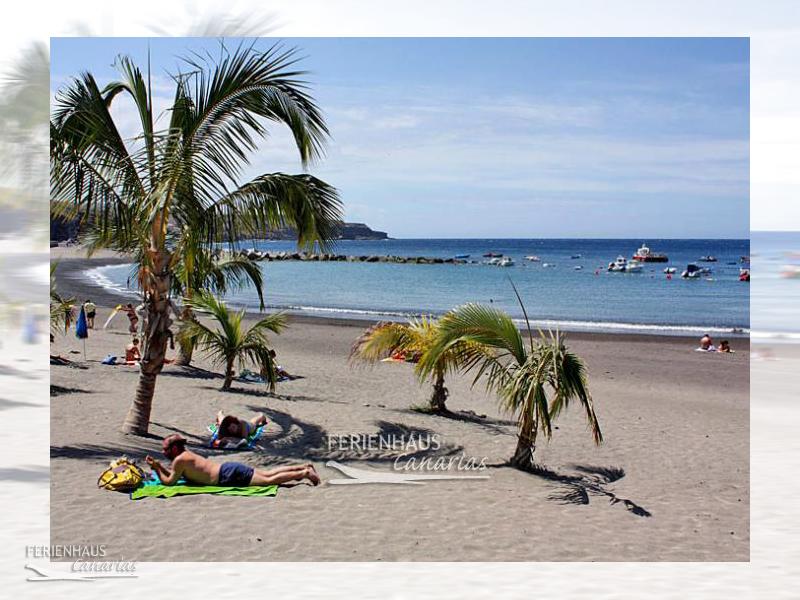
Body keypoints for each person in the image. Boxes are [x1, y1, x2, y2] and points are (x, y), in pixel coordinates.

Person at [146, 434, 320, 487]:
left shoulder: (180, 460)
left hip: (226, 476)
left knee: (268, 480)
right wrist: (159, 465)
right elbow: (176, 475)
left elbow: (170, 481)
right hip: (228, 469)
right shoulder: (185, 455)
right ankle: (303, 467)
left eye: (166, 449)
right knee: (268, 473)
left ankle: (305, 473)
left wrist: (155, 468)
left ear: (174, 449)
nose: (164, 451)